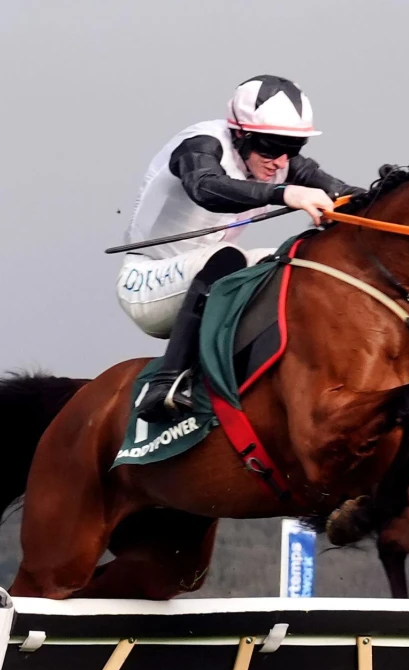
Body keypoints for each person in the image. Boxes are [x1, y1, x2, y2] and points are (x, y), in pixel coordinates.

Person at [119, 75, 363, 421]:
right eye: (269, 147)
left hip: (204, 281)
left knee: (292, 262)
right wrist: (285, 193)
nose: (280, 161)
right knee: (228, 259)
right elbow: (205, 187)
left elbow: (346, 195)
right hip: (146, 283)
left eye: (292, 149)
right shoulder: (200, 144)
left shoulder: (279, 160)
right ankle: (167, 383)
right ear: (240, 134)